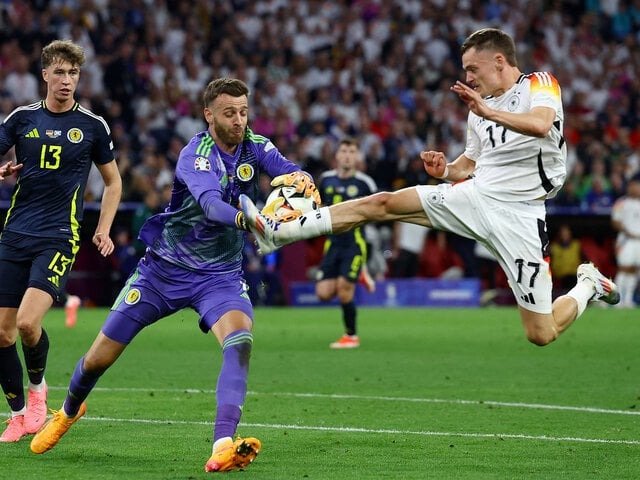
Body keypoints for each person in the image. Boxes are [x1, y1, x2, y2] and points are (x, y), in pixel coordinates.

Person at [241, 28, 620, 347]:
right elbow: (469, 165)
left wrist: (487, 112)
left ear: (499, 61)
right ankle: (281, 231)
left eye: (472, 68)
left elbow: (540, 124)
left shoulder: (539, 84)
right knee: (383, 203)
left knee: (541, 333)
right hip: (477, 196)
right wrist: (446, 170)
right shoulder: (478, 110)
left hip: (522, 215)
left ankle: (588, 284)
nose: (468, 77)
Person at [30, 78, 320, 473]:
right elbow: (211, 204)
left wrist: (302, 179)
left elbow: (287, 171)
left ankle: (222, 445)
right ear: (209, 115)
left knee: (240, 342)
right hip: (163, 272)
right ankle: (67, 411)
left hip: (219, 276)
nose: (239, 120)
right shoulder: (194, 155)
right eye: (229, 113)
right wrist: (247, 220)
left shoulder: (256, 145)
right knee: (99, 358)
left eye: (243, 112)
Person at [0, 39, 121, 443]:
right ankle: (17, 414)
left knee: (26, 323)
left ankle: (38, 391)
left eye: (73, 73)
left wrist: (102, 228)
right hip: (15, 233)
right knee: (1, 333)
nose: (67, 80)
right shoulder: (21, 119)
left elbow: (113, 183)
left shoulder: (92, 126)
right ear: (45, 75)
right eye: (60, 72)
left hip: (58, 236)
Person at [315, 138, 377, 349]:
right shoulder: (326, 180)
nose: (347, 155)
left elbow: (375, 213)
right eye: (344, 151)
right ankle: (357, 274)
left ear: (357, 157)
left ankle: (351, 336)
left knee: (344, 290)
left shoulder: (365, 183)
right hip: (332, 244)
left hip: (354, 243)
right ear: (337, 155)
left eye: (352, 152)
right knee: (323, 293)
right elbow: (319, 206)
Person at [611, 175, 640, 307]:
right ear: (629, 187)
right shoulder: (621, 202)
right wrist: (628, 232)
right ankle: (617, 300)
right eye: (634, 186)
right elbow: (615, 221)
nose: (636, 189)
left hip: (638, 241)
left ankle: (628, 299)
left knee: (634, 270)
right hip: (626, 241)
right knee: (624, 269)